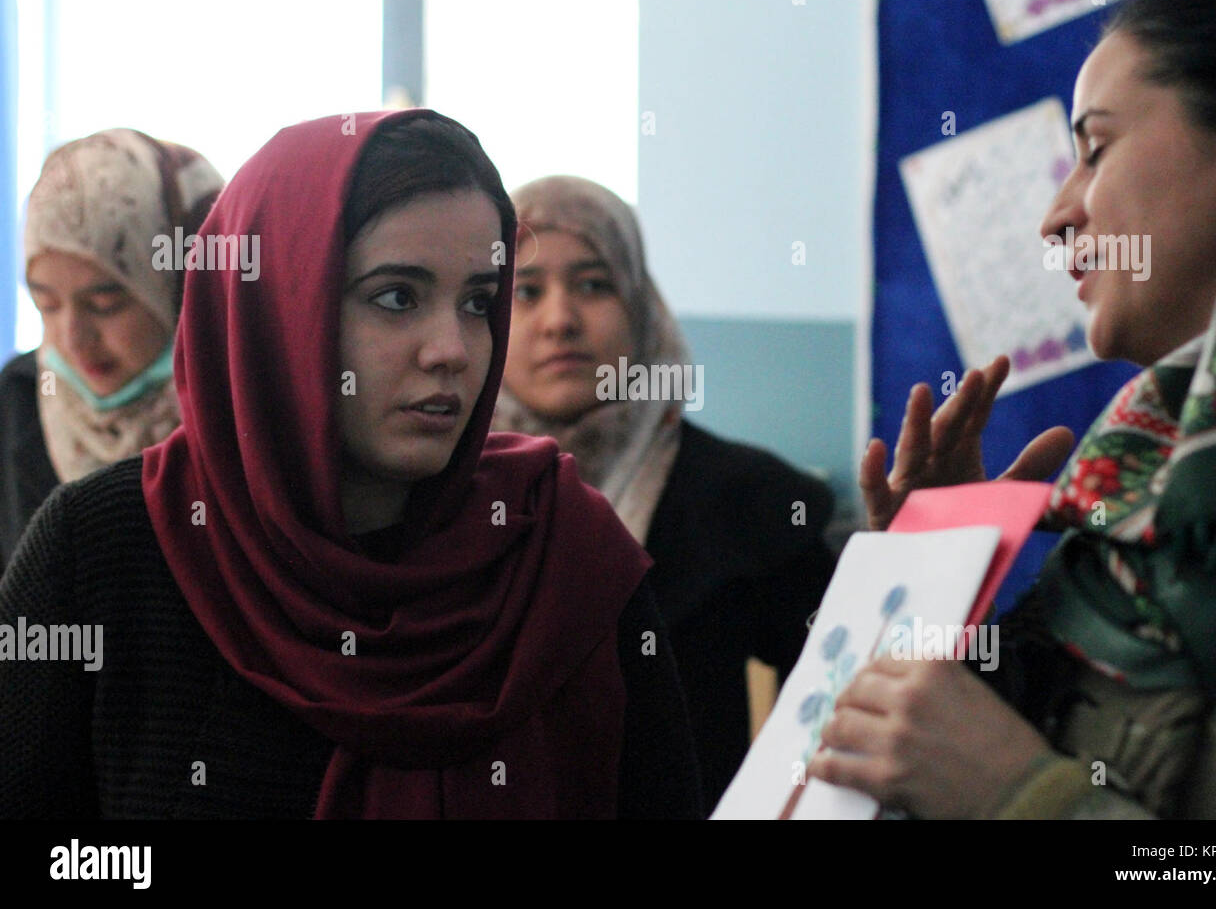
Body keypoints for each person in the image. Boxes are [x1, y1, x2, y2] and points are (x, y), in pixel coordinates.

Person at [0, 111, 701, 819]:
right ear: (276, 310)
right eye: (396, 297)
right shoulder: (105, 552)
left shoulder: (561, 549)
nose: (452, 349)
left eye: (478, 301)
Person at [810, 0, 1216, 818]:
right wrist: (939, 586)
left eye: (1096, 150)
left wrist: (1022, 796)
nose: (1055, 217)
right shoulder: (1146, 475)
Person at [492, 175, 837, 811]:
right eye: (525, 292)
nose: (559, 320)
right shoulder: (445, 498)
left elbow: (840, 710)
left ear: (642, 308)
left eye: (594, 284)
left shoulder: (747, 498)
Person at [0, 129, 223, 570]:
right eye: (47, 303)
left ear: (184, 288)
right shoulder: (21, 401)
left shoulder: (241, 409)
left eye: (105, 304)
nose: (72, 339)